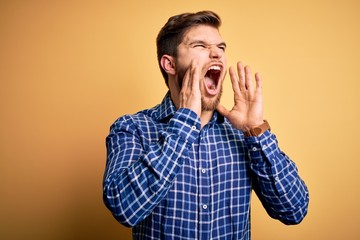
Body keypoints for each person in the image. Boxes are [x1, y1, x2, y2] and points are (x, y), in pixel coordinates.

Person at [103, 10, 309, 240]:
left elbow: (294, 210)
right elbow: (123, 208)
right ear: (169, 64)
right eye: (200, 46)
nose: (216, 54)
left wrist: (256, 130)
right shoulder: (133, 128)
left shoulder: (244, 135)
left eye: (221, 48)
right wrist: (184, 122)